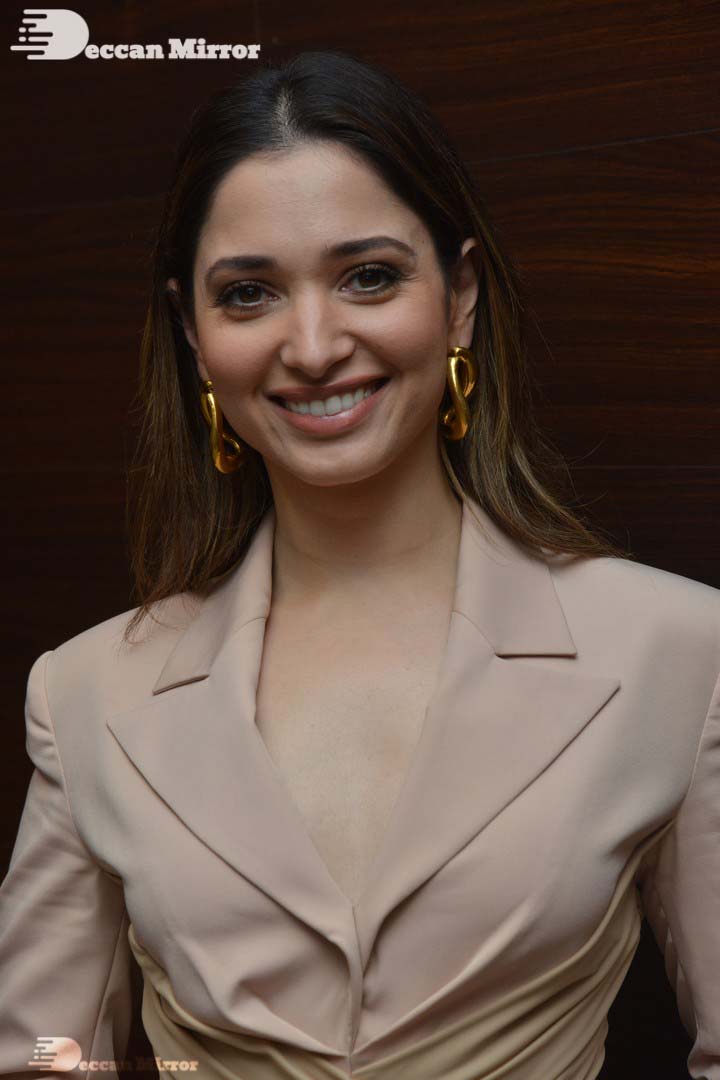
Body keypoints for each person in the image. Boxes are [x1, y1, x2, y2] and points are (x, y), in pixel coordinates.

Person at [1, 48, 718, 1080]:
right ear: (195, 336)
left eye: (368, 276)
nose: (313, 344)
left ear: (459, 296)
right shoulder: (85, 694)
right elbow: (39, 1050)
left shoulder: (679, 652)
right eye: (249, 293)